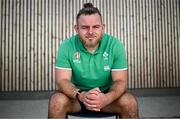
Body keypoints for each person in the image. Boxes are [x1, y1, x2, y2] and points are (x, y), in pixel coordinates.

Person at [48, 2, 139, 119]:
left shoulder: (115, 45)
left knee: (129, 102)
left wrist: (106, 98)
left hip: (107, 98)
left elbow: (121, 81)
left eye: (95, 26)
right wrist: (81, 95)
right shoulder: (67, 46)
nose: (90, 32)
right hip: (77, 97)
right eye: (85, 27)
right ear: (76, 28)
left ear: (103, 27)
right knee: (56, 101)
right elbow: (62, 81)